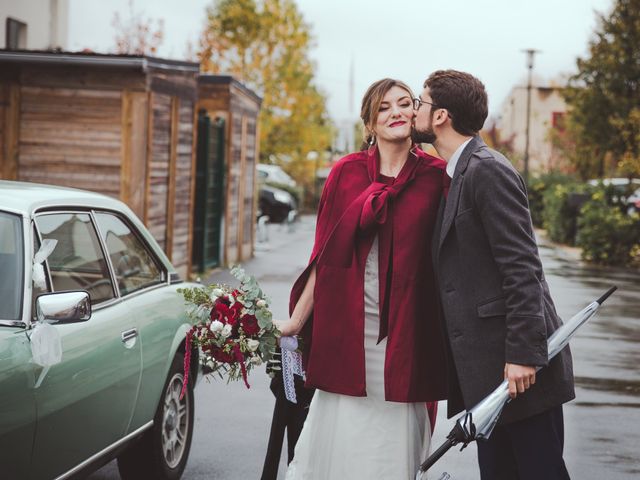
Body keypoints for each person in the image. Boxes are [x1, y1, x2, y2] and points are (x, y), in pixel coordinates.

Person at [274, 78, 448, 479]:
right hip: (348, 336)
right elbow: (324, 258)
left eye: (405, 104)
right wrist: (297, 322)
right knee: (341, 447)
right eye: (384, 107)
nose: (397, 113)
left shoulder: (437, 177)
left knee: (390, 452)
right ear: (370, 123)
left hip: (407, 339)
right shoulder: (345, 174)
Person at [413, 69, 575, 480]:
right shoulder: (459, 172)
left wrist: (523, 354)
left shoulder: (487, 170)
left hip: (518, 372)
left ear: (440, 116)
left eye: (420, 102)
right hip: (489, 373)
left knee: (539, 472)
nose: (415, 109)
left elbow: (523, 268)